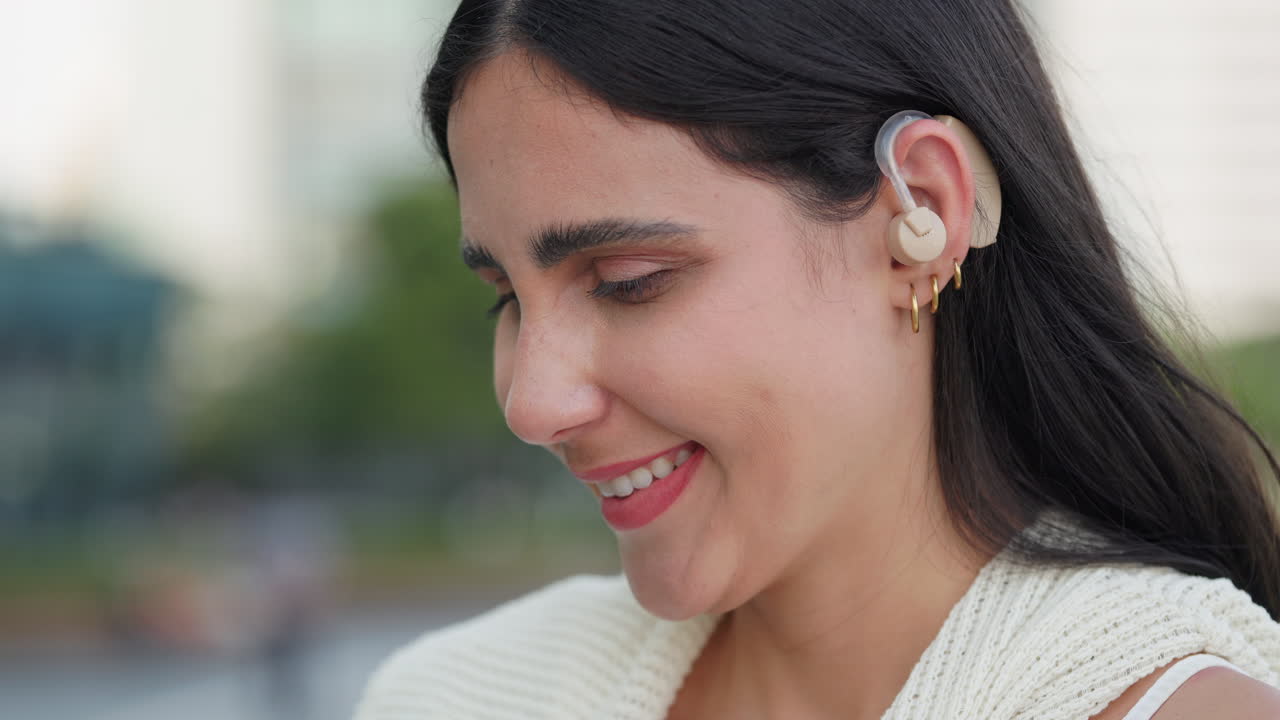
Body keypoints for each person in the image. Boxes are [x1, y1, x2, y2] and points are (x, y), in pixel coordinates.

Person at [354, 1, 1280, 718]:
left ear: (922, 214)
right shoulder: (455, 695)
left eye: (630, 280)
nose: (531, 401)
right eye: (508, 297)